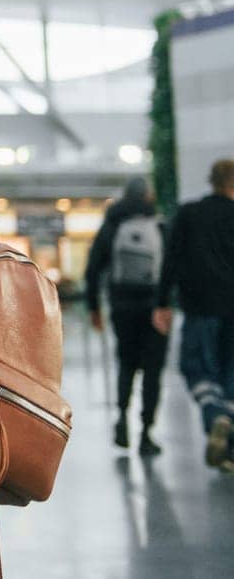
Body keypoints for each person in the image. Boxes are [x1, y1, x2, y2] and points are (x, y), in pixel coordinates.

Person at [154, 158, 234, 471]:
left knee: (197, 369)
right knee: (230, 376)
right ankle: (227, 448)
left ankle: (215, 417)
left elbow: (170, 260)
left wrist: (163, 303)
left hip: (200, 307)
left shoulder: (189, 214)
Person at [83, 177, 167, 455]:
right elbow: (171, 269)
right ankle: (146, 432)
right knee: (152, 371)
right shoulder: (159, 225)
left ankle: (121, 420)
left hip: (122, 307)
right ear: (147, 196)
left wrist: (93, 307)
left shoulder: (112, 224)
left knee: (126, 364)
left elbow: (94, 268)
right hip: (154, 308)